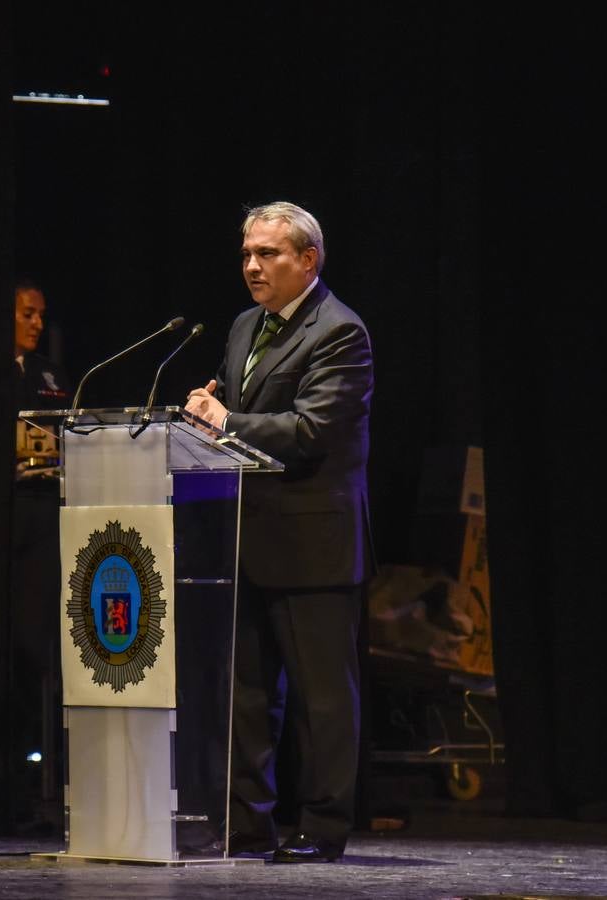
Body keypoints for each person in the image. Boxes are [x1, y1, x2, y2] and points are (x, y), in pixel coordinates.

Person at [185, 202, 373, 863]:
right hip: (244, 537)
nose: (252, 266)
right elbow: (233, 411)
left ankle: (322, 829)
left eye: (267, 254)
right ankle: (246, 824)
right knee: (245, 697)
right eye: (245, 254)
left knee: (322, 702)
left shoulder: (339, 332)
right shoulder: (244, 326)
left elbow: (311, 431)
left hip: (313, 543)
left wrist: (224, 419)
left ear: (306, 260)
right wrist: (209, 418)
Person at [9, 280, 69, 832]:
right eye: (26, 314)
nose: (35, 324)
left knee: (43, 647)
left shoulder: (50, 374)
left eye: (40, 315)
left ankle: (44, 782)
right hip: (6, 518)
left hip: (46, 512)